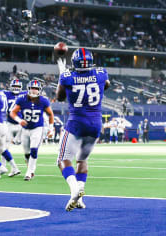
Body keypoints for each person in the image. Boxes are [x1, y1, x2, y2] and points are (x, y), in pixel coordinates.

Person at [56, 48, 110, 211]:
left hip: (76, 123)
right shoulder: (101, 73)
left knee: (63, 160)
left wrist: (63, 77)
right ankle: (80, 199)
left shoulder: (67, 77)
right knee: (82, 160)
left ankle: (74, 190)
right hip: (95, 124)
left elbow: (59, 97)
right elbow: (106, 86)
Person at [10, 79, 54, 181]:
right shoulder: (22, 99)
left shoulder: (43, 100)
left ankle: (29, 172)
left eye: (36, 89)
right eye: (32, 88)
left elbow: (50, 114)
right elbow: (13, 112)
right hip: (25, 129)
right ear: (28, 89)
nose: (34, 91)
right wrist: (19, 120)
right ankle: (30, 168)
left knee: (34, 149)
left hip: (37, 128)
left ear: (39, 90)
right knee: (26, 153)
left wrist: (51, 129)